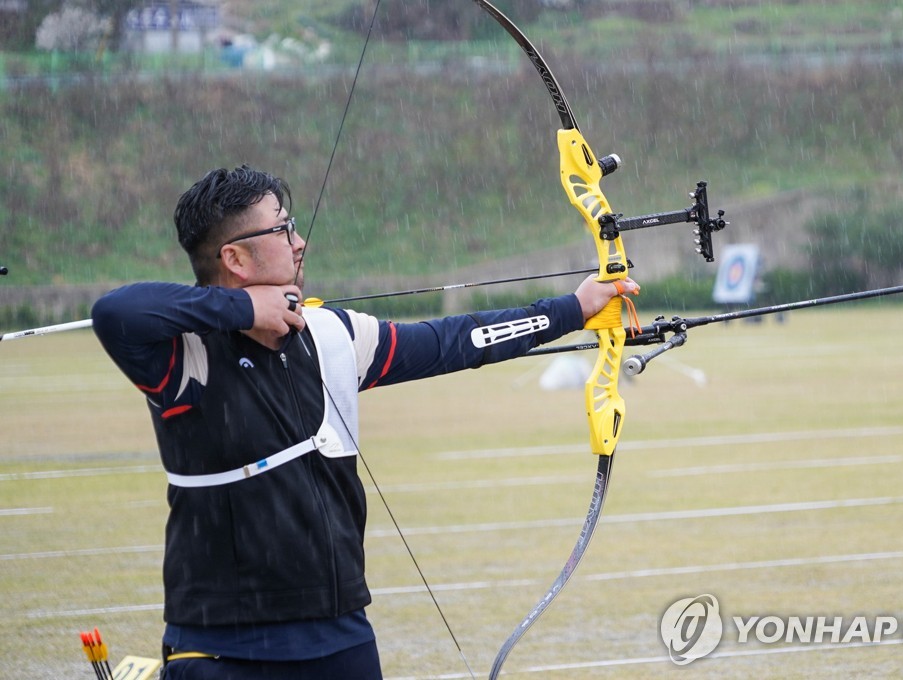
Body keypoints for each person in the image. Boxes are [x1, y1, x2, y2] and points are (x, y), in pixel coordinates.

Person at [91, 165, 638, 679]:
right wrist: (244, 311)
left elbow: (457, 341)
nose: (299, 242)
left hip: (340, 636)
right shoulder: (184, 356)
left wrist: (574, 308)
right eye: (283, 229)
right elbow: (116, 312)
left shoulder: (333, 336)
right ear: (234, 258)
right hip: (218, 644)